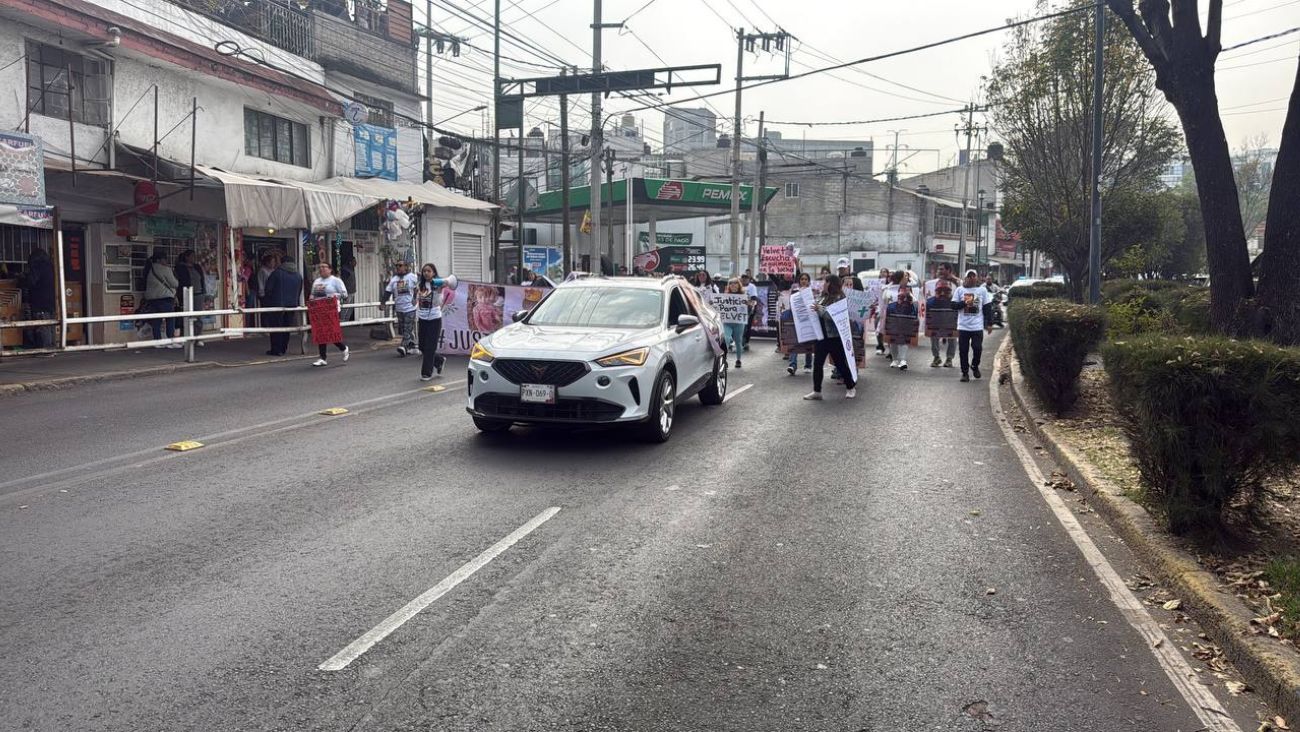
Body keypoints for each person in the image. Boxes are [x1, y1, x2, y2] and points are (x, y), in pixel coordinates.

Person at [804, 274, 856, 401]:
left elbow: (833, 316)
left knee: (840, 364)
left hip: (834, 337)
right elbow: (818, 311)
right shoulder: (822, 296)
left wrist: (819, 309)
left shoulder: (839, 297)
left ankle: (850, 387)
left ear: (831, 284)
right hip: (821, 336)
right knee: (817, 364)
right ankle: (817, 391)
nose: (823, 284)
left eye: (825, 282)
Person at [953, 268, 994, 382]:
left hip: (977, 326)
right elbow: (953, 305)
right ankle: (965, 373)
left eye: (973, 276)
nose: (971, 278)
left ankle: (975, 366)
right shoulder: (959, 290)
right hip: (963, 326)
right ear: (965, 278)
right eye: (969, 276)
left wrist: (989, 323)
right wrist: (964, 303)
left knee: (977, 348)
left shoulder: (982, 291)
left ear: (977, 278)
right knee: (963, 350)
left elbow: (987, 308)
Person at [309, 261, 350, 367]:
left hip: (332, 310)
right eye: (320, 267)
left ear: (330, 269)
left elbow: (344, 294)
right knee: (321, 334)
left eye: (324, 267)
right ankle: (322, 358)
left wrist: (332, 296)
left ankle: (343, 348)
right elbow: (313, 294)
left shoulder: (336, 280)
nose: (321, 269)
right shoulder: (317, 281)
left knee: (331, 333)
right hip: (319, 311)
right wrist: (311, 300)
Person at [262, 255, 303, 356]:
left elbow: (268, 289)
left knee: (276, 327)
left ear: (282, 262)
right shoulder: (298, 275)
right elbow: (299, 291)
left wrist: (267, 302)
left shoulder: (277, 273)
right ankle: (283, 348)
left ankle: (276, 349)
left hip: (276, 305)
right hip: (292, 305)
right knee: (286, 328)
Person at [415, 263, 448, 381]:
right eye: (424, 271)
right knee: (422, 346)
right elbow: (415, 301)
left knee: (430, 347)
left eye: (429, 271)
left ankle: (426, 373)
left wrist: (439, 287)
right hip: (422, 318)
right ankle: (439, 360)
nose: (426, 273)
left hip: (434, 318)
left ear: (433, 272)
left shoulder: (438, 284)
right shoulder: (420, 285)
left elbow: (439, 300)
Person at [925, 263, 960, 367]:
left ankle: (949, 358)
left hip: (950, 316)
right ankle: (936, 357)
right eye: (938, 269)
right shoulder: (930, 284)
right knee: (933, 336)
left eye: (942, 269)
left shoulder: (957, 283)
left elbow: (965, 293)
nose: (939, 271)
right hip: (936, 315)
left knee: (952, 337)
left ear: (949, 270)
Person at [143, 251, 180, 346]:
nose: (166, 261)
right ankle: (171, 340)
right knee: (170, 319)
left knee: (156, 320)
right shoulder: (165, 269)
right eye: (165, 259)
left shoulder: (149, 269)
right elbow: (175, 284)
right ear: (159, 260)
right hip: (164, 298)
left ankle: (157, 341)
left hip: (151, 299)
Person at [20, 248, 55, 348]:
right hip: (52, 301)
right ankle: (52, 347)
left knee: (42, 326)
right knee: (50, 325)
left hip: (40, 302)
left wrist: (23, 278)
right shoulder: (51, 266)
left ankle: (46, 348)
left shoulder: (37, 267)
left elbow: (31, 281)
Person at [172, 250, 207, 346]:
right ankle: (185, 337)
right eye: (192, 256)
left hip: (198, 294)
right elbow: (177, 281)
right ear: (186, 257)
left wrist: (204, 291)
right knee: (186, 316)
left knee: (198, 316)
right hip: (186, 294)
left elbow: (202, 279)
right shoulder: (180, 268)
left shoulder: (197, 267)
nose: (194, 258)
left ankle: (198, 337)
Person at [386, 261, 420, 357]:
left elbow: (418, 288)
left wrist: (414, 298)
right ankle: (412, 345)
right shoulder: (394, 279)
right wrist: (383, 302)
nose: (398, 267)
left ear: (406, 267)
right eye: (396, 265)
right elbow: (388, 291)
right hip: (399, 308)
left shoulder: (412, 277)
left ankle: (403, 346)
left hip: (410, 308)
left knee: (407, 328)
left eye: (400, 265)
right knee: (403, 329)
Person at [785, 271, 813, 375]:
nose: (804, 281)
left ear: (808, 281)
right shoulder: (794, 292)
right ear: (799, 281)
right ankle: (792, 365)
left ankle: (808, 365)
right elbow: (792, 305)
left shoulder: (812, 292)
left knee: (808, 342)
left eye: (806, 279)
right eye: (802, 279)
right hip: (797, 320)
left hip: (809, 320)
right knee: (795, 342)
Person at [886, 284, 918, 371]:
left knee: (904, 341)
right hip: (894, 323)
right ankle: (895, 359)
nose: (905, 291)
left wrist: (909, 299)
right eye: (903, 289)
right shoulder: (893, 301)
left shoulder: (912, 301)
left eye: (907, 290)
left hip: (906, 324)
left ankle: (903, 360)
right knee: (893, 342)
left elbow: (915, 310)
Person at [721, 278, 747, 369]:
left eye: (735, 283)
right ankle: (724, 360)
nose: (733, 285)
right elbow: (720, 306)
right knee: (726, 339)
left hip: (738, 322)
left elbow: (749, 308)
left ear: (738, 285)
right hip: (727, 322)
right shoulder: (725, 296)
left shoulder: (744, 296)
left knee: (738, 341)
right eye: (731, 283)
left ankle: (738, 359)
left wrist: (749, 305)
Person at [740, 272, 759, 351]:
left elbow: (754, 298)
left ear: (749, 279)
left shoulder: (752, 287)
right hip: (738, 309)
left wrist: (752, 309)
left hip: (749, 309)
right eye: (743, 278)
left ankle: (746, 342)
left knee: (747, 327)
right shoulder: (738, 285)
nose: (744, 279)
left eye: (746, 278)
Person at [339, 255, 357, 322]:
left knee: (350, 307)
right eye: (354, 261)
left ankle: (346, 320)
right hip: (347, 292)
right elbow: (343, 282)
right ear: (350, 262)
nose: (355, 263)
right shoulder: (345, 270)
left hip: (352, 291)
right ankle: (342, 320)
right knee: (345, 307)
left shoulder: (350, 269)